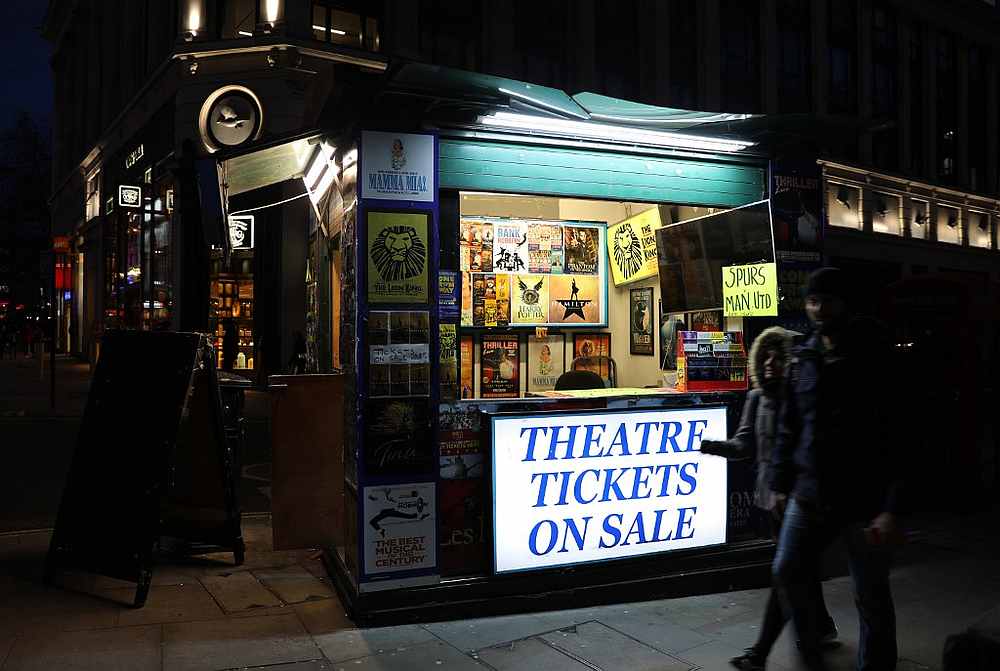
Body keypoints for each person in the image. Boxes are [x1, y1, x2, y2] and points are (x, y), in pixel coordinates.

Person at [770, 267, 905, 671]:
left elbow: (899, 433)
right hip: (809, 491)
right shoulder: (804, 355)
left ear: (843, 304)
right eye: (812, 301)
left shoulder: (874, 354)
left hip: (863, 497)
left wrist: (891, 508)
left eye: (825, 301)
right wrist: (780, 483)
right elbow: (789, 426)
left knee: (870, 593)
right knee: (787, 570)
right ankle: (813, 657)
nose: (817, 309)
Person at [701, 327, 837, 670]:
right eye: (765, 357)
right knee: (797, 573)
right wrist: (712, 447)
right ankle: (820, 628)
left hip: (799, 500)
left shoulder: (801, 398)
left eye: (778, 357)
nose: (770, 364)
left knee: (786, 576)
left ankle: (762, 653)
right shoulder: (756, 398)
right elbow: (744, 444)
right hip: (770, 501)